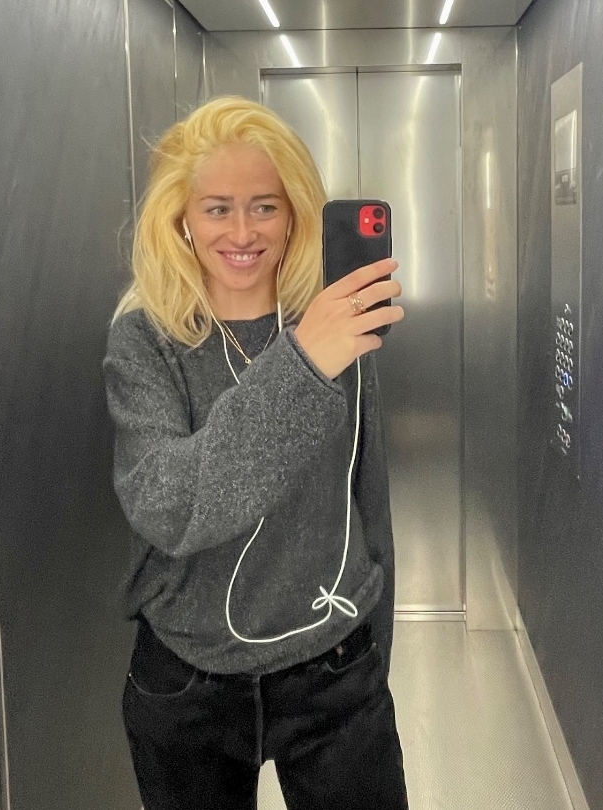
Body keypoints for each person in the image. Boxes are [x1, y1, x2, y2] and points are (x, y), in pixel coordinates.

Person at [103, 95, 408, 810]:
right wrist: (303, 366)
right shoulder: (145, 339)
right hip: (189, 680)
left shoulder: (332, 326)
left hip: (335, 666)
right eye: (218, 208)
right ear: (182, 216)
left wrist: (373, 650)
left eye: (264, 207)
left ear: (295, 212)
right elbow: (170, 505)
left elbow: (367, 496)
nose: (242, 232)